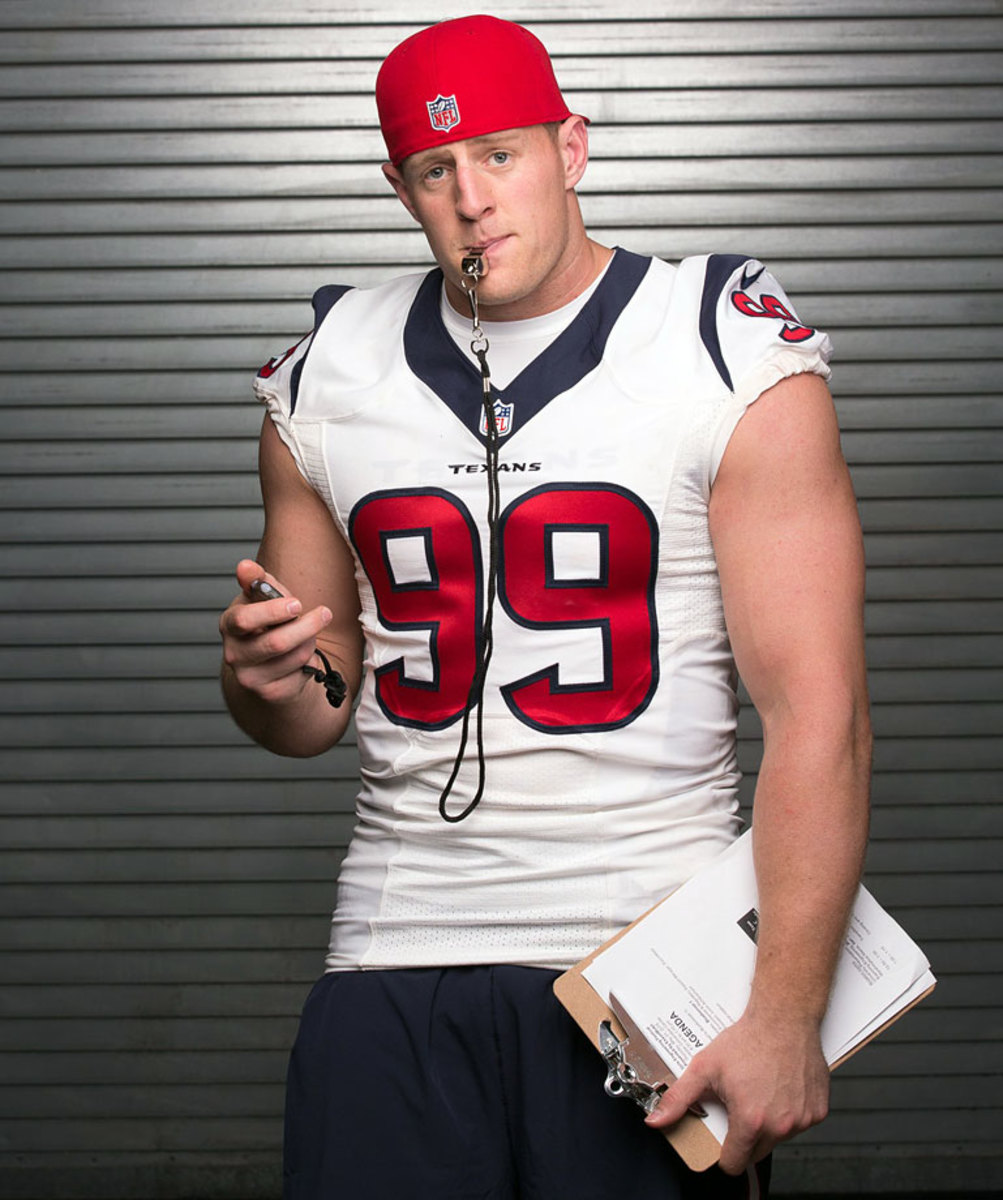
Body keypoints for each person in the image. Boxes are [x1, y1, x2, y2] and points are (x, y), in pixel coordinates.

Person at [219, 15, 871, 1199]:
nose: (472, 200)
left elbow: (818, 714)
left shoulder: (715, 346)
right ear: (399, 188)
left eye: (500, 155)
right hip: (393, 953)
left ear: (570, 149)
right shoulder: (331, 369)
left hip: (645, 952)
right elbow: (314, 708)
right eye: (435, 170)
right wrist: (265, 678)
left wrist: (785, 1009)